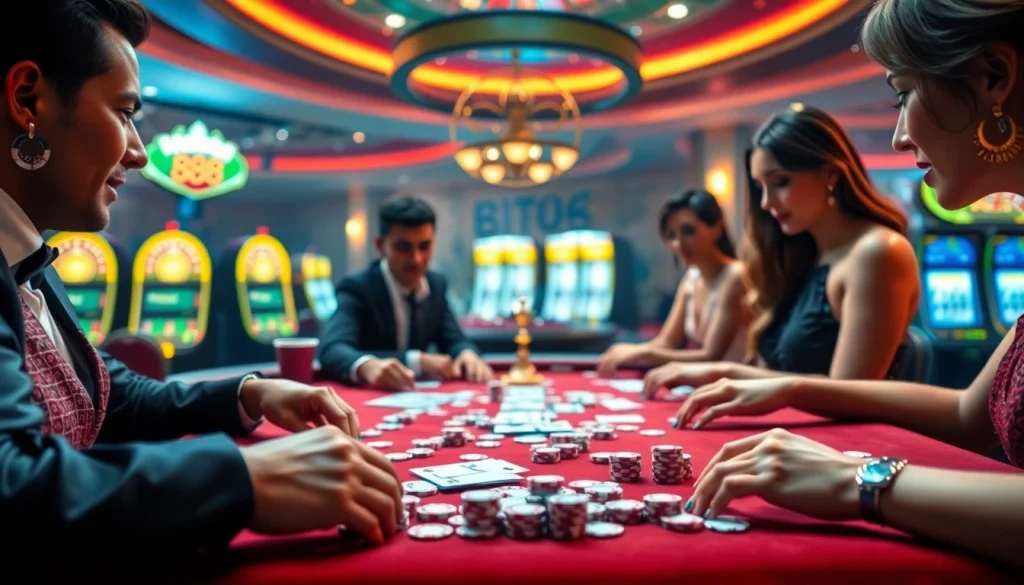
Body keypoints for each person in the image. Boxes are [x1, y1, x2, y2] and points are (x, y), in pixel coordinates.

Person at [0, 1, 402, 568]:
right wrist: (241, 477)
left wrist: (248, 393)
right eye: (124, 113)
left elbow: (109, 396)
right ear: (28, 100)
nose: (137, 151)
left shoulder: (31, 258)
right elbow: (11, 485)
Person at [682, 0, 1024, 568]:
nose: (896, 136)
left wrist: (863, 482)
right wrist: (792, 389)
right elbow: (969, 413)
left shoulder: (874, 252)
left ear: (994, 77)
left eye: (903, 94)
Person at [643, 105, 921, 399]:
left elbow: (851, 396)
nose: (765, 202)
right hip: (784, 435)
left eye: (780, 182)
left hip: (841, 444)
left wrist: (723, 371)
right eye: (760, 187)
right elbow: (775, 371)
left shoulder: (877, 252)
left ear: (831, 175)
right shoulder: (803, 256)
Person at [319, 197, 493, 391]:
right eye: (403, 247)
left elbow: (454, 339)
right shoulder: (357, 287)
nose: (416, 259)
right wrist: (406, 361)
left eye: (424, 246)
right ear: (380, 245)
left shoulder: (436, 285)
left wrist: (466, 353)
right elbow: (332, 349)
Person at [597, 190, 750, 376]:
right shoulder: (692, 278)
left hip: (742, 389)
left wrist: (644, 352)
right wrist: (629, 350)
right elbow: (666, 342)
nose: (678, 244)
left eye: (688, 231)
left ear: (716, 229)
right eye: (671, 235)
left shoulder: (735, 275)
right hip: (712, 386)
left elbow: (711, 356)